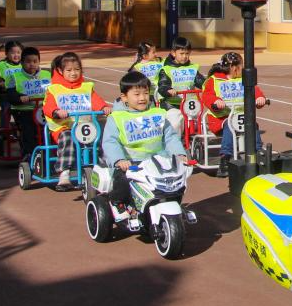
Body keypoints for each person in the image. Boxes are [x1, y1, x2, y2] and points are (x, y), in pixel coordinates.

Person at [101, 71, 188, 217]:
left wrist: (179, 153)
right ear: (124, 97)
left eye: (146, 93)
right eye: (136, 94)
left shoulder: (157, 114)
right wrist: (119, 160)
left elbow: (170, 137)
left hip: (158, 160)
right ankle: (118, 203)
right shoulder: (116, 117)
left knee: (176, 180)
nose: (142, 98)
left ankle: (170, 205)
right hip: (131, 162)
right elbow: (110, 141)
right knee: (122, 180)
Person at [43, 52, 112, 190]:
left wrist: (104, 107)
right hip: (64, 128)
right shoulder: (54, 89)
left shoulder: (86, 87)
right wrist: (56, 111)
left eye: (77, 69)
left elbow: (95, 100)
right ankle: (64, 173)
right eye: (69, 70)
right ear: (60, 71)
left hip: (85, 126)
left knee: (100, 135)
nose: (73, 73)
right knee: (68, 138)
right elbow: (48, 106)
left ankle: (103, 167)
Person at [200, 52, 266, 178]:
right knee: (229, 125)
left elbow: (255, 90)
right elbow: (207, 95)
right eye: (241, 66)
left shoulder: (244, 79)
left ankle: (258, 151)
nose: (243, 69)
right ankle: (225, 157)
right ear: (233, 67)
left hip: (241, 117)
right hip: (221, 118)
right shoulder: (214, 80)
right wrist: (216, 101)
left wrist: (260, 98)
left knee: (253, 124)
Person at [5, 47, 51, 159]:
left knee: (51, 127)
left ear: (39, 62)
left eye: (35, 61)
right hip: (23, 110)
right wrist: (20, 98)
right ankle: (29, 154)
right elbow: (10, 94)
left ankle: (51, 151)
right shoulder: (15, 77)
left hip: (43, 110)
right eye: (28, 62)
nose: (32, 64)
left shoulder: (47, 75)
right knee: (28, 129)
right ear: (22, 62)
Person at [156, 36, 205, 134]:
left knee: (199, 124)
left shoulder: (192, 68)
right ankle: (175, 141)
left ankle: (195, 139)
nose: (184, 56)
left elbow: (201, 82)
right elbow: (162, 85)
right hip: (172, 105)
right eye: (181, 54)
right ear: (173, 53)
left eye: (187, 53)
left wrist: (208, 85)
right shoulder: (166, 69)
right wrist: (168, 90)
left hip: (190, 104)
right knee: (175, 124)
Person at [0, 40, 24, 129]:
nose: (16, 55)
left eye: (18, 52)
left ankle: (23, 127)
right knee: (6, 108)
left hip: (21, 93)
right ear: (6, 53)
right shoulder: (0, 65)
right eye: (13, 53)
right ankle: (4, 129)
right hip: (5, 94)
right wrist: (0, 82)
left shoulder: (25, 64)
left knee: (25, 110)